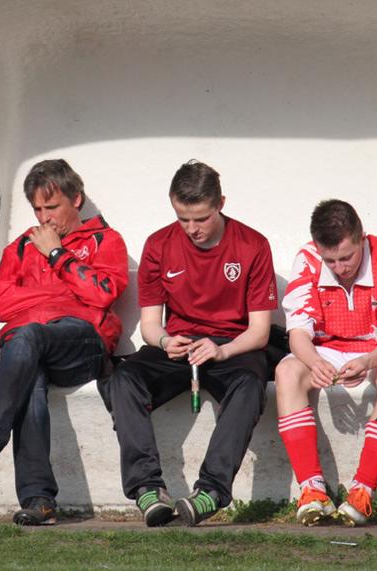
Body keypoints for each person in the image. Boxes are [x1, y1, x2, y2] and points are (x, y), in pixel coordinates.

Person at [0, 159, 128, 526]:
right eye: (38, 209)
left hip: (83, 343)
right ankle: (39, 500)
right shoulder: (19, 248)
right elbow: (3, 303)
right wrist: (62, 296)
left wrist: (57, 256)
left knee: (26, 334)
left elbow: (103, 293)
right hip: (31, 347)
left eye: (52, 207)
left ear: (76, 199)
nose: (45, 218)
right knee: (29, 373)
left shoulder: (105, 241)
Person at [107, 160, 278, 527]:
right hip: (179, 346)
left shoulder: (253, 245)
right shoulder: (158, 244)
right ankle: (147, 489)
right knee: (123, 378)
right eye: (183, 218)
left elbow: (260, 331)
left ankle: (211, 492)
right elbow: (151, 326)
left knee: (250, 385)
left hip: (233, 347)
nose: (192, 229)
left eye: (200, 218)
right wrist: (167, 340)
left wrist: (222, 350)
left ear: (221, 204)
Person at [276, 200, 377, 526]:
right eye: (331, 260)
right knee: (287, 370)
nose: (340, 268)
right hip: (325, 349)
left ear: (362, 237)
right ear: (317, 249)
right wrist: (314, 363)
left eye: (347, 257)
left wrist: (369, 361)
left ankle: (363, 491)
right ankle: (312, 489)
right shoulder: (308, 259)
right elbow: (298, 335)